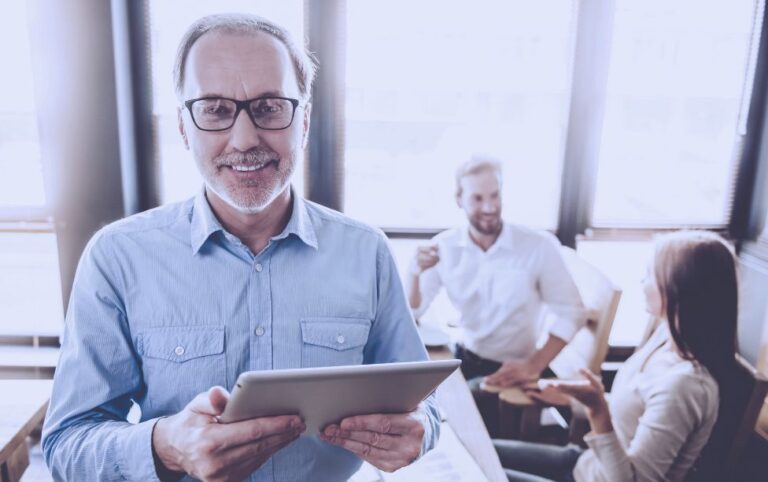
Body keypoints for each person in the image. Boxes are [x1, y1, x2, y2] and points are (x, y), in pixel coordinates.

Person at [42, 13, 439, 482]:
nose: (245, 139)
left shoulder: (366, 251)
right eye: (214, 109)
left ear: (304, 121)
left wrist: (420, 432)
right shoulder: (117, 257)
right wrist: (165, 445)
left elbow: (423, 406)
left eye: (270, 107)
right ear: (185, 126)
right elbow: (67, 444)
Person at [493, 230, 738, 482]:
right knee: (474, 449)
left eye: (651, 275)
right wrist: (573, 400)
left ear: (679, 289)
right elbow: (634, 413)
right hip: (586, 466)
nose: (643, 282)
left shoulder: (685, 386)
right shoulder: (665, 337)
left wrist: (598, 409)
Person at [406, 157, 585, 388]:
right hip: (463, 356)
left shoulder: (538, 246)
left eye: (495, 195)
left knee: (452, 409)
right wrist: (414, 272)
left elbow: (573, 312)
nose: (489, 207)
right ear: (459, 199)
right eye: (478, 198)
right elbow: (414, 311)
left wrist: (534, 365)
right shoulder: (445, 247)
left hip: (513, 372)